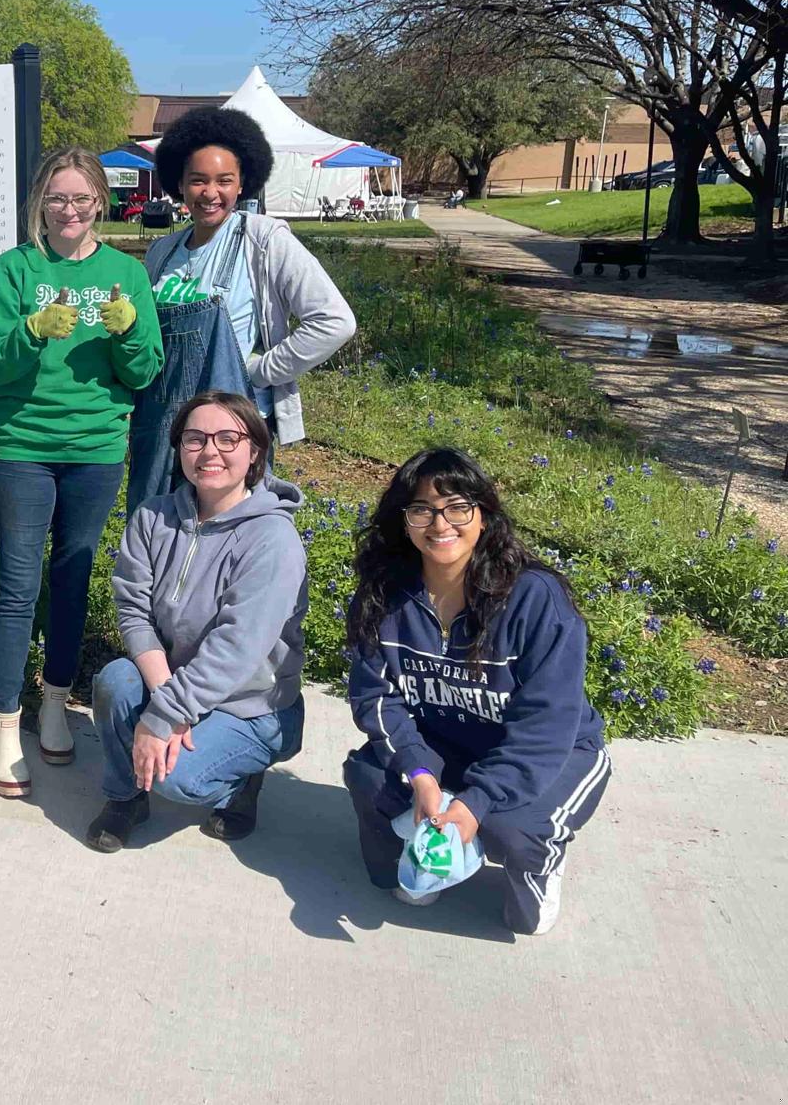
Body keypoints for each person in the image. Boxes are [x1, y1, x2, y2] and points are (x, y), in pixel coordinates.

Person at [342, 448, 611, 936]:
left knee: (511, 835)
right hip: (446, 745)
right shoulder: (384, 594)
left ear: (483, 515)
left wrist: (474, 804)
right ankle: (437, 835)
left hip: (554, 751)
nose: (440, 522)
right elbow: (376, 698)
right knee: (369, 781)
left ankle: (538, 860)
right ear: (403, 521)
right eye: (422, 509)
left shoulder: (534, 598)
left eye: (458, 507)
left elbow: (546, 725)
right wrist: (421, 776)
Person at [0, 146, 162, 797]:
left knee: (72, 578)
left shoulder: (125, 273)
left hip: (96, 450)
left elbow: (142, 374)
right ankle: (5, 721)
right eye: (58, 198)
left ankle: (55, 701)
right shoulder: (14, 270)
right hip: (24, 444)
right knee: (17, 583)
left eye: (82, 199)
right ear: (40, 202)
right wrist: (30, 331)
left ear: (99, 203)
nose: (70, 210)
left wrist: (129, 329)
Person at [87, 393, 306, 851]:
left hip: (249, 703)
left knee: (181, 782)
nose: (210, 452)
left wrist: (163, 717)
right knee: (115, 681)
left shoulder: (273, 539)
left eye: (229, 438)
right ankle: (127, 795)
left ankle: (243, 780)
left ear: (255, 451)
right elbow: (134, 610)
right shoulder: (152, 518)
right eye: (195, 439)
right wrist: (170, 702)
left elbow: (237, 650)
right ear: (179, 448)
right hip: (175, 680)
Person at [130, 107, 355, 508]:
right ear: (179, 184)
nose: (210, 192)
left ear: (242, 183)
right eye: (197, 180)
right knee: (156, 535)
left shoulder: (264, 240)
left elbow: (334, 321)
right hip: (165, 429)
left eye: (224, 181)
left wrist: (261, 371)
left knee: (229, 538)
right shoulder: (162, 253)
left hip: (230, 432)